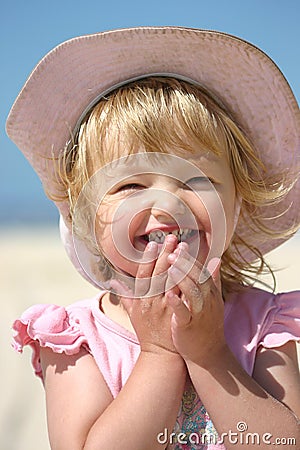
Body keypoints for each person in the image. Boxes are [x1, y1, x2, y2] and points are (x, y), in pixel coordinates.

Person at [7, 27, 300, 450]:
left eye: (197, 181)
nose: (167, 205)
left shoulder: (262, 324)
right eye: (129, 186)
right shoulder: (78, 338)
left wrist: (210, 354)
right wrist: (159, 354)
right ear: (86, 215)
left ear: (237, 206)